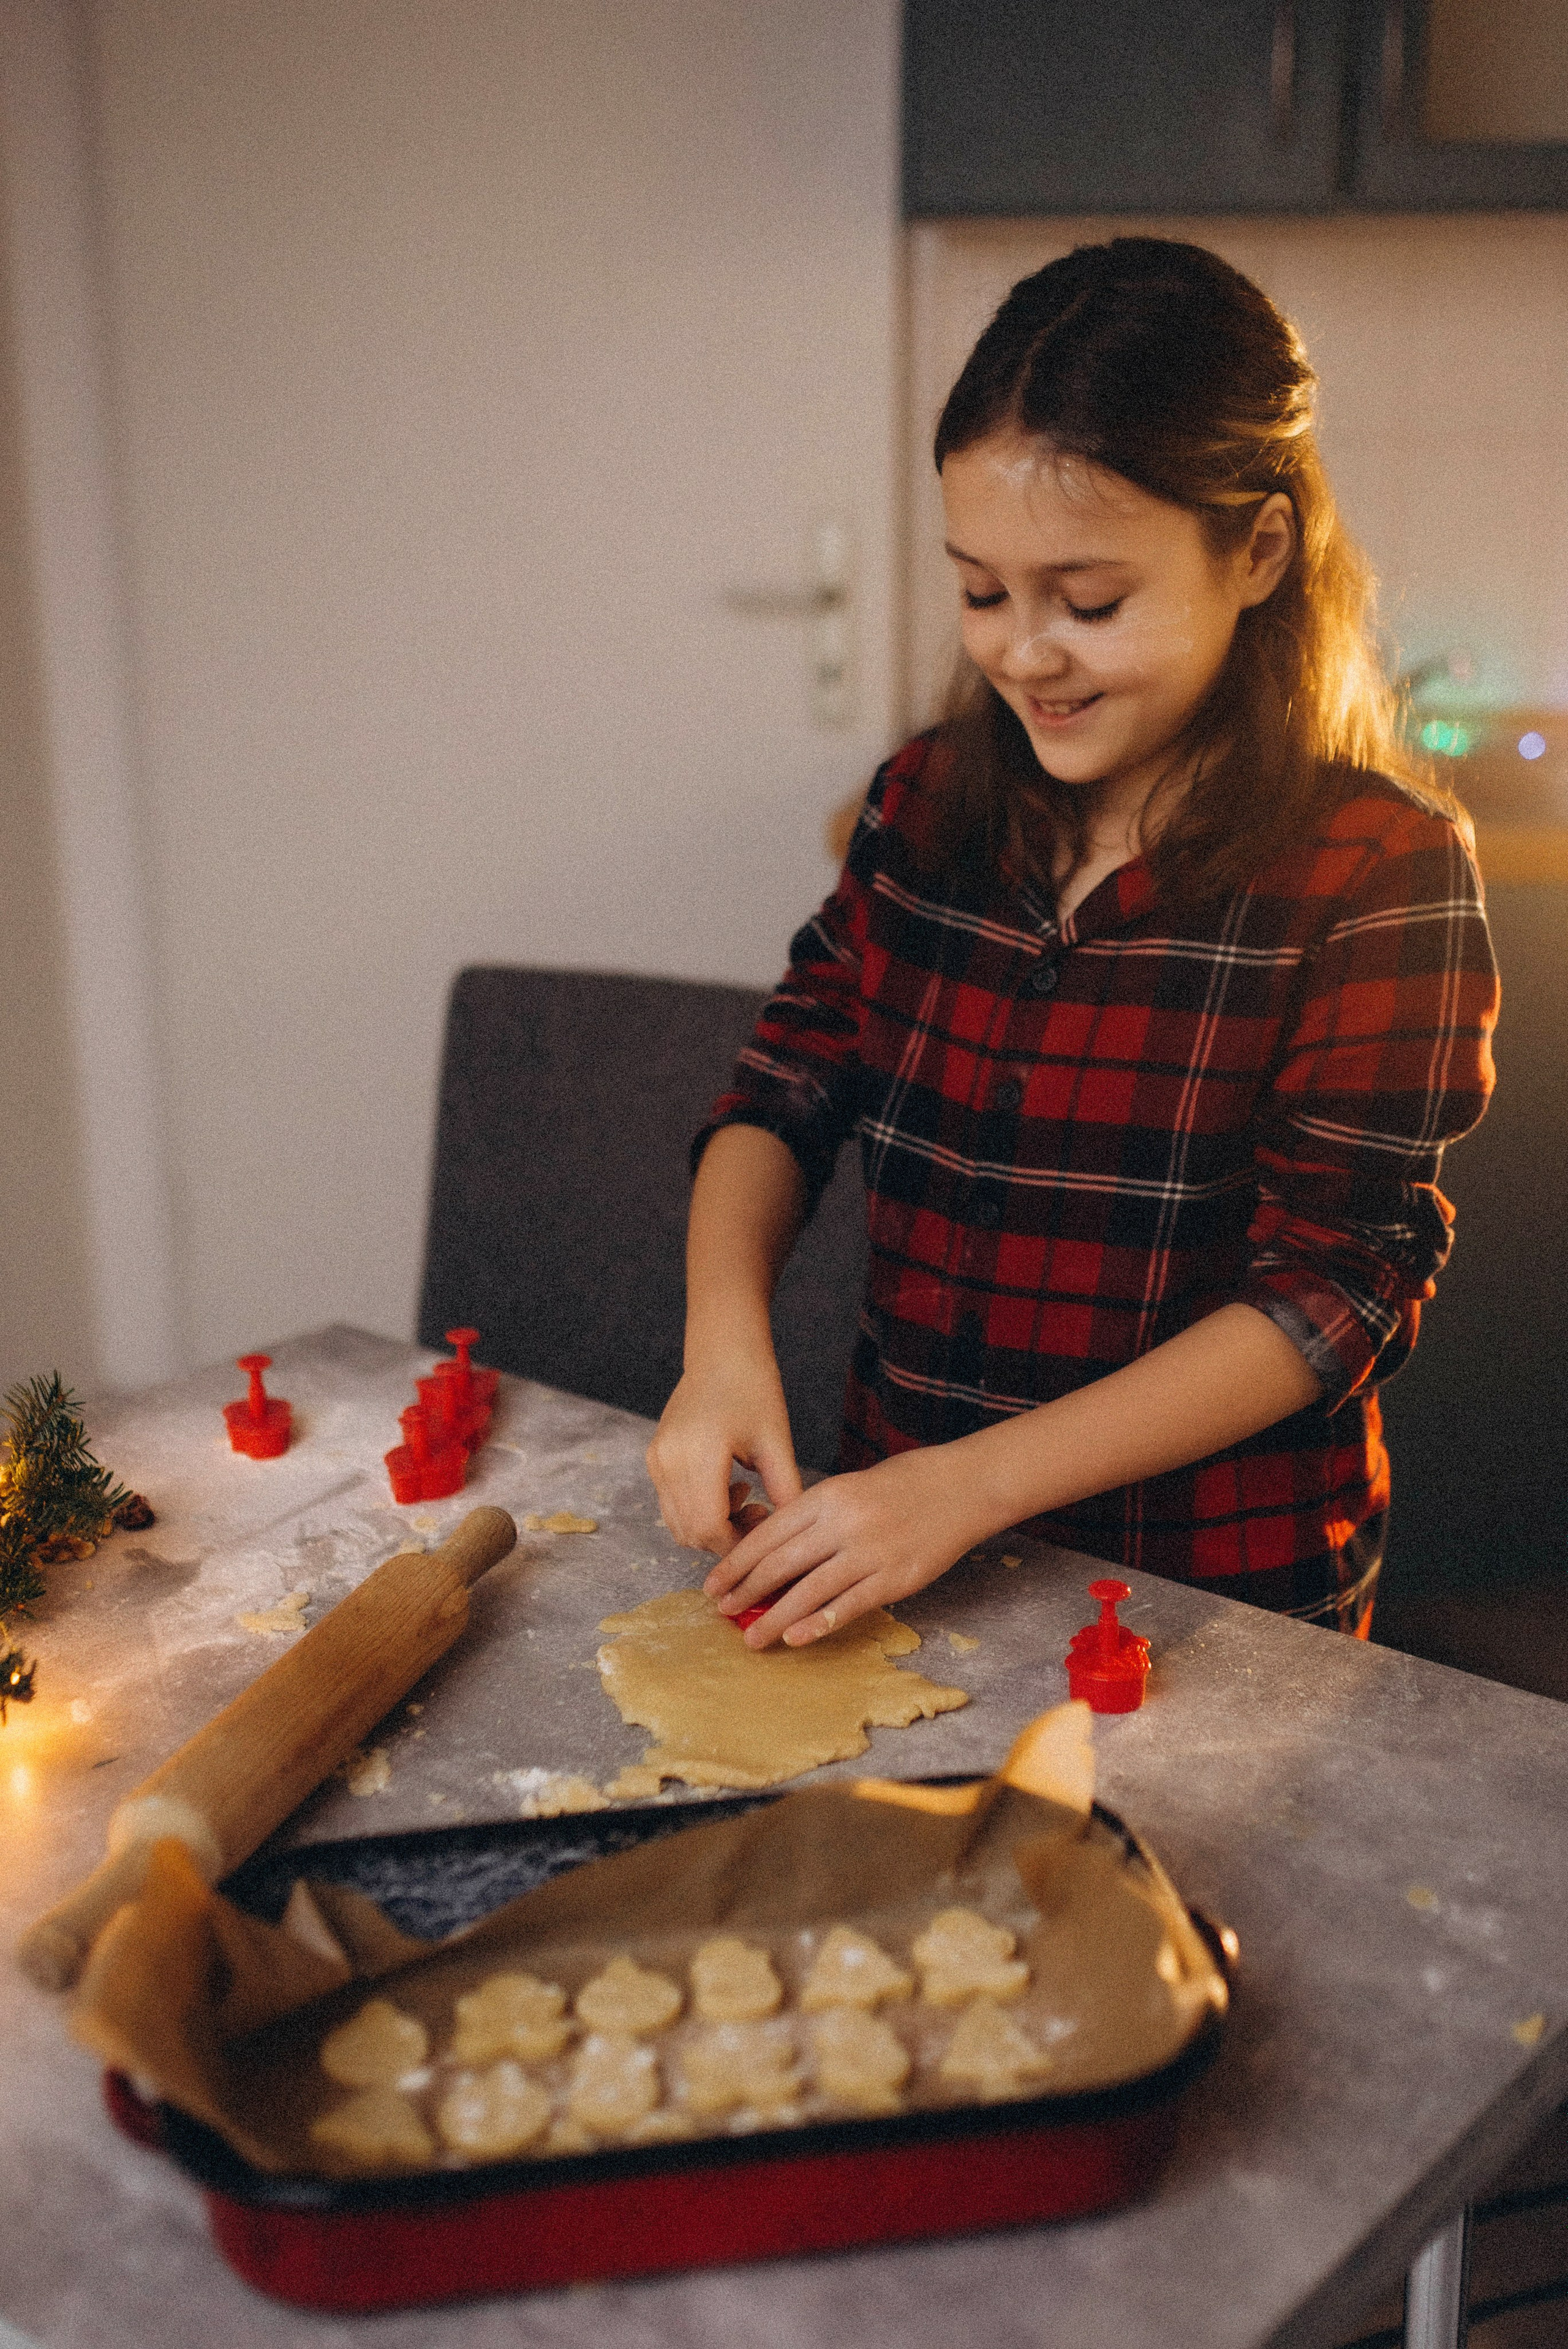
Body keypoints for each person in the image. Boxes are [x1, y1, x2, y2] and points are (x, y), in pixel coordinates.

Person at [647, 236, 1498, 1652]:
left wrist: (968, 1486)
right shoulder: (922, 802)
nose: (1024, 653)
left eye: (1089, 603)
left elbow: (1331, 1286)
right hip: (899, 1547)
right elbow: (785, 1081)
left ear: (1256, 551)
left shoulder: (1377, 874)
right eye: (981, 593)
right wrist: (721, 1343)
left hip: (1204, 1598)